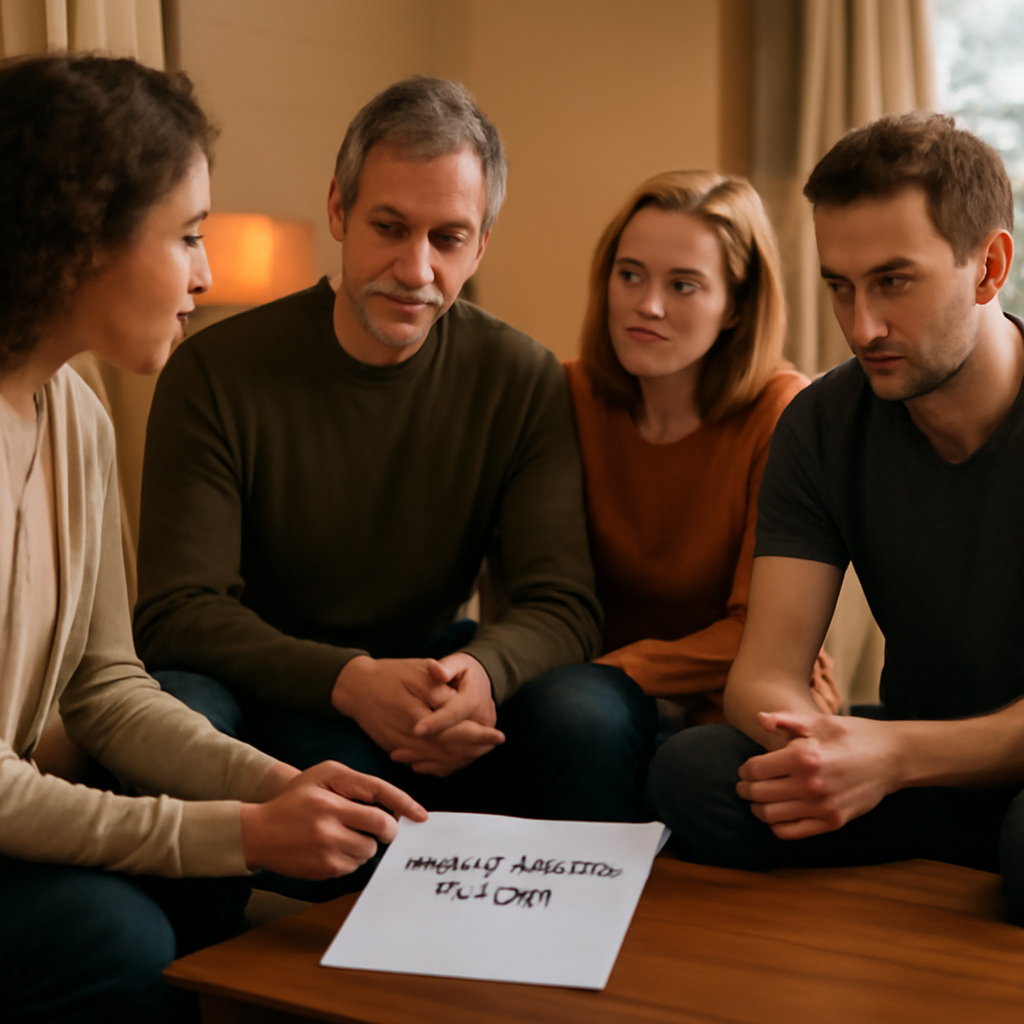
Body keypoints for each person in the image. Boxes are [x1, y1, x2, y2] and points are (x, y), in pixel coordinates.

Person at [133, 77, 656, 884]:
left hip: (430, 672)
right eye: (389, 227)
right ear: (339, 211)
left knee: (590, 710)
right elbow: (177, 613)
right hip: (274, 682)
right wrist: (348, 682)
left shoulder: (519, 377)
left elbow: (562, 604)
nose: (416, 269)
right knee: (234, 723)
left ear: (481, 245)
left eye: (448, 238)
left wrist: (478, 678)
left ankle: (582, 954)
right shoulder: (214, 371)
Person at [0, 54, 428, 1023]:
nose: (206, 272)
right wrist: (241, 832)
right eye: (187, 236)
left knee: (289, 861)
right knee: (117, 937)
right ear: (76, 242)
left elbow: (105, 688)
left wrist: (284, 787)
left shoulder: (78, 412)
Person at [646, 112, 1024, 924]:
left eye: (894, 282)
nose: (862, 329)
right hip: (917, 759)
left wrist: (890, 756)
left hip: (960, 759)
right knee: (693, 773)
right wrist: (826, 754)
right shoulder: (820, 424)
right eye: (840, 287)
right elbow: (765, 674)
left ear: (989, 266)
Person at [565, 171, 837, 731]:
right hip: (587, 705)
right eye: (630, 275)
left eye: (683, 285)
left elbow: (758, 629)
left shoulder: (782, 413)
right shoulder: (567, 394)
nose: (649, 306)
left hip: (736, 698)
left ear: (736, 306)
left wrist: (604, 672)